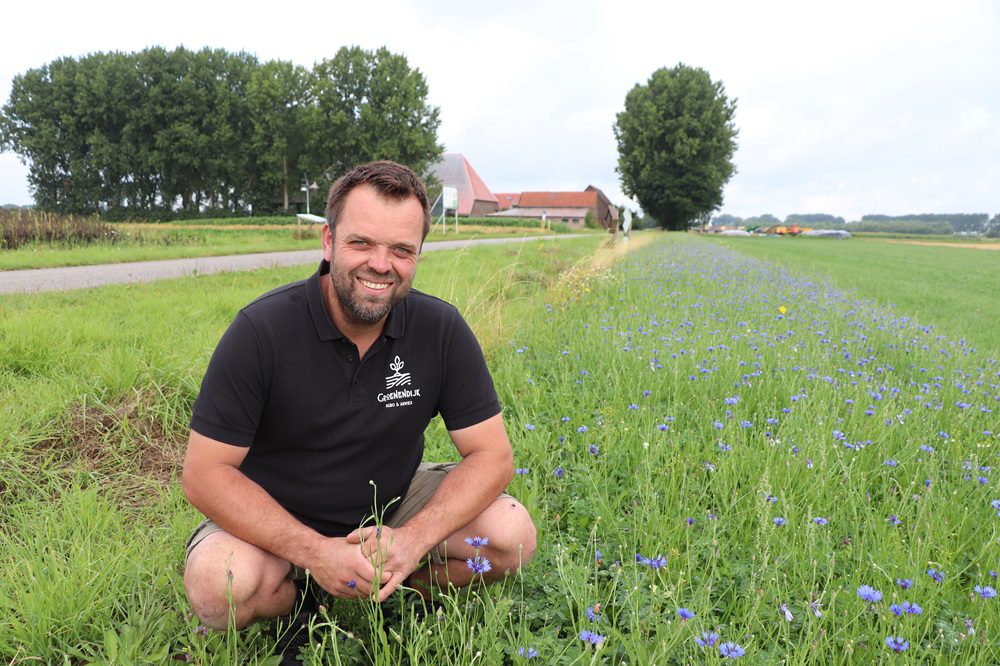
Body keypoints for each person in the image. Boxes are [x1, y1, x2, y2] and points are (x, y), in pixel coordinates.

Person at [182, 161, 536, 641]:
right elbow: (204, 474)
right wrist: (315, 553)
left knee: (511, 537)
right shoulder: (261, 331)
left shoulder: (441, 330)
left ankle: (391, 591)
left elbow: (492, 456)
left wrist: (413, 539)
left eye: (401, 249)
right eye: (362, 243)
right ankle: (303, 600)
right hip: (278, 521)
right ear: (328, 241)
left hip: (392, 506)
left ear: (418, 254)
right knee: (217, 587)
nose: (381, 264)